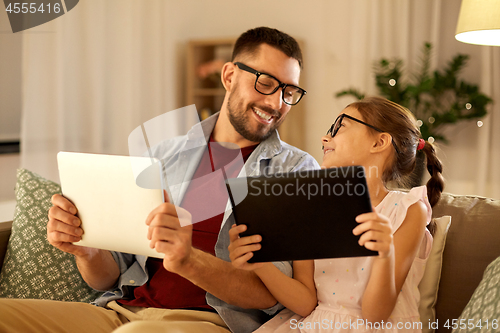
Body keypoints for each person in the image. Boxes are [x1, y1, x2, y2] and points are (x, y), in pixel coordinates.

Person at [0, 27, 319, 333]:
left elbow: (267, 298)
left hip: (206, 323)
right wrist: (87, 251)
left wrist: (188, 260)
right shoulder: (163, 155)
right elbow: (109, 277)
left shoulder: (294, 172)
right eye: (266, 83)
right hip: (118, 312)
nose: (276, 103)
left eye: (289, 92)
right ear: (229, 76)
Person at [229, 96, 445, 332]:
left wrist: (385, 254)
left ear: (379, 142)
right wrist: (259, 263)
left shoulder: (408, 209)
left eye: (339, 128)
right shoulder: (312, 208)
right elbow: (305, 303)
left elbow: (375, 314)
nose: (324, 138)